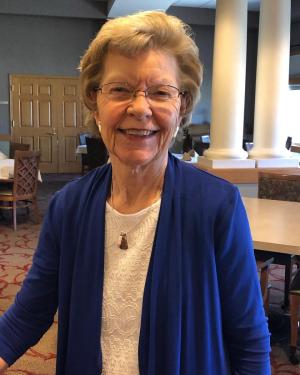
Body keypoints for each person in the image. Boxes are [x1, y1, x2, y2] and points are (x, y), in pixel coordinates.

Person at [0, 10, 270, 375]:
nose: (140, 108)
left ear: (182, 106)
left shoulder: (217, 206)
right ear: (95, 101)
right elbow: (27, 315)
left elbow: (249, 342)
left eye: (160, 92)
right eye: (120, 89)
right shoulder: (69, 207)